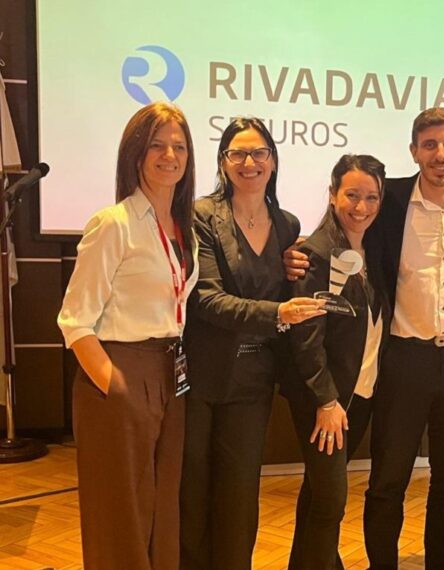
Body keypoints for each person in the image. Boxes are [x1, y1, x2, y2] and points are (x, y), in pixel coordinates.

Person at [284, 107, 444, 569]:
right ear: (414, 151)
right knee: (387, 481)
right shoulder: (390, 201)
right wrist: (297, 255)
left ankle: (440, 563)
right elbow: (346, 232)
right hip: (403, 362)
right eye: (429, 145)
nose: (440, 155)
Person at [57, 102, 199, 570]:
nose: (169, 156)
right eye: (157, 145)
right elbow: (75, 320)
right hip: (121, 370)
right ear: (135, 152)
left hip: (171, 372)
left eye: (179, 146)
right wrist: (114, 386)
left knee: (162, 503)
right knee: (121, 509)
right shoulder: (113, 223)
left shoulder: (184, 229)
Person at [179, 117, 324, 570]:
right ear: (223, 162)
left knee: (240, 495)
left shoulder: (287, 224)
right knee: (193, 490)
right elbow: (205, 299)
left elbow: (286, 286)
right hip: (202, 375)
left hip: (255, 379)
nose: (249, 162)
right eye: (237, 153)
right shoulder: (201, 215)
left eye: (259, 153)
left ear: (273, 161)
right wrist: (278, 313)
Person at [281, 154, 390, 570]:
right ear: (332, 195)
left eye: (371, 197)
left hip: (358, 395)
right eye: (352, 195)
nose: (361, 207)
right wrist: (326, 401)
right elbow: (306, 339)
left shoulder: (374, 251)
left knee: (317, 494)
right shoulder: (315, 255)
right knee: (331, 500)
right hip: (326, 401)